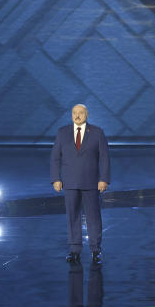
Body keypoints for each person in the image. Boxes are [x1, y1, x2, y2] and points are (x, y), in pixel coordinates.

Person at [51, 103, 110, 264]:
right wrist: (56, 178)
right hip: (69, 183)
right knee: (72, 217)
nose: (77, 116)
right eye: (74, 113)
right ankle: (74, 250)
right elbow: (56, 157)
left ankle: (96, 250)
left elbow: (104, 158)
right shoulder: (62, 133)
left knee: (93, 218)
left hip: (91, 182)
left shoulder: (97, 133)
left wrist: (103, 179)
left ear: (87, 115)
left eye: (81, 113)